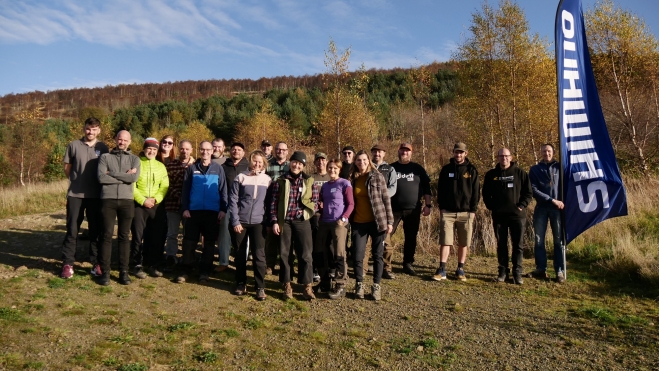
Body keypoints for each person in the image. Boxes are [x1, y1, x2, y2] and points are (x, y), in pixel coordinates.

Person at [60, 117, 109, 279]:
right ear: (84, 128)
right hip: (76, 194)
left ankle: (96, 263)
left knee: (95, 230)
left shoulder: (103, 147)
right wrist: (76, 181)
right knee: (72, 229)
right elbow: (67, 167)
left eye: (94, 129)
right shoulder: (74, 145)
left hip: (96, 196)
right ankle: (68, 264)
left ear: (99, 130)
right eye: (88, 128)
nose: (91, 132)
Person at [270, 151, 319, 301]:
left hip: (301, 221)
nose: (296, 165)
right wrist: (274, 221)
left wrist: (306, 213)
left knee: (305, 254)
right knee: (285, 254)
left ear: (303, 166)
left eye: (300, 163)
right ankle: (287, 285)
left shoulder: (310, 181)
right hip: (284, 222)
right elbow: (273, 203)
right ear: (290, 163)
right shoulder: (281, 180)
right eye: (294, 162)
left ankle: (306, 286)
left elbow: (315, 202)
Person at [177, 141, 228, 284]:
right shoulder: (192, 169)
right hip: (193, 211)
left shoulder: (218, 169)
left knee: (209, 244)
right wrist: (185, 208)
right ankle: (185, 270)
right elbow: (185, 190)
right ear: (199, 151)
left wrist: (223, 209)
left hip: (212, 212)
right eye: (202, 149)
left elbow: (223, 190)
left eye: (208, 150)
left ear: (212, 151)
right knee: (189, 242)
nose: (205, 152)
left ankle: (204, 272)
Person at [482, 148, 533, 285]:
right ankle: (503, 271)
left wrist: (522, 204)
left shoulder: (520, 173)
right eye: (501, 156)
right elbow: (486, 193)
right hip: (499, 216)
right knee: (501, 244)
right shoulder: (491, 175)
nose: (503, 158)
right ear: (497, 158)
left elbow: (528, 193)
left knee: (518, 245)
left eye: (506, 156)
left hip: (517, 216)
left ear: (511, 157)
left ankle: (517, 273)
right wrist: (491, 206)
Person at [96, 130, 141, 286]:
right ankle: (105, 273)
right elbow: (101, 178)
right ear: (115, 140)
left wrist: (112, 173)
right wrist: (124, 176)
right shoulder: (105, 157)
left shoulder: (135, 159)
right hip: (107, 200)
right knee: (106, 235)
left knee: (124, 237)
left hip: (127, 201)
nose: (122, 142)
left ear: (130, 141)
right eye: (119, 139)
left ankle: (124, 272)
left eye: (125, 140)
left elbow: (133, 178)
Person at [350, 150, 394, 301]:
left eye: (364, 160)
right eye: (358, 160)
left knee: (377, 255)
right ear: (355, 162)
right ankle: (359, 285)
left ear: (368, 161)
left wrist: (390, 221)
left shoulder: (377, 176)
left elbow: (386, 199)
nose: (361, 163)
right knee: (357, 255)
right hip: (358, 223)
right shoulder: (352, 178)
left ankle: (376, 287)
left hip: (377, 221)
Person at [432, 143, 479, 281]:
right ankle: (442, 269)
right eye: (456, 152)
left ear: (466, 153)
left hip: (466, 213)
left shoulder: (471, 170)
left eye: (461, 152)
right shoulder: (446, 169)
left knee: (464, 242)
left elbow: (476, 192)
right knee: (445, 241)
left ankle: (460, 269)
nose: (458, 155)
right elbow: (440, 190)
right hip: (448, 212)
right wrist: (441, 207)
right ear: (453, 153)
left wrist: (473, 210)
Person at [228, 150, 271, 300]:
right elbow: (232, 200)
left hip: (259, 223)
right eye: (255, 161)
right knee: (240, 255)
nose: (257, 164)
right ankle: (241, 283)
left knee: (259, 256)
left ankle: (260, 286)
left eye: (260, 162)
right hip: (241, 222)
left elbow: (269, 203)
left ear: (263, 164)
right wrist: (235, 221)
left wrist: (268, 221)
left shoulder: (267, 180)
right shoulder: (240, 178)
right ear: (250, 161)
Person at [130, 138, 169, 279]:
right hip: (139, 204)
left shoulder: (160, 166)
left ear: (157, 151)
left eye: (154, 149)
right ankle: (137, 264)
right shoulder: (137, 163)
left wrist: (156, 199)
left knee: (156, 236)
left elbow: (164, 186)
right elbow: (131, 184)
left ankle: (153, 264)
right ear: (144, 148)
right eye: (149, 148)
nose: (151, 151)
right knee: (137, 235)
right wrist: (143, 200)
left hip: (156, 205)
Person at [390, 143, 432, 276]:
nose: (404, 152)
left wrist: (428, 205)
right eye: (402, 150)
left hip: (413, 209)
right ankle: (383, 261)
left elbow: (426, 188)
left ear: (411, 153)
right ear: (399, 151)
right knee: (386, 235)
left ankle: (407, 263)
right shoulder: (391, 168)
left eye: (407, 151)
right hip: (393, 209)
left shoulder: (418, 169)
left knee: (410, 237)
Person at [316, 159, 354, 299]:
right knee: (319, 252)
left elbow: (350, 204)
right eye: (330, 168)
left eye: (335, 168)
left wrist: (343, 219)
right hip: (324, 221)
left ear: (339, 169)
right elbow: (321, 201)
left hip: (338, 223)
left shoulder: (344, 183)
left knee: (339, 254)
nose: (332, 170)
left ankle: (340, 284)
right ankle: (325, 281)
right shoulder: (325, 185)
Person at [528, 144, 565, 283]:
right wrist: (551, 200)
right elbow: (533, 189)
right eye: (544, 151)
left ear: (553, 152)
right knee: (538, 240)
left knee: (558, 240)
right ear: (541, 152)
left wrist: (560, 202)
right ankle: (541, 269)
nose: (546, 153)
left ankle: (559, 270)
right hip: (541, 208)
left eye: (549, 151)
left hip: (558, 210)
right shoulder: (535, 169)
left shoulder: (560, 167)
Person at [366, 144, 397, 279]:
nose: (377, 154)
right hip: (366, 209)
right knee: (366, 243)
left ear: (384, 153)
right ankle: (364, 268)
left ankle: (387, 268)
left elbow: (393, 188)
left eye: (380, 152)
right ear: (371, 153)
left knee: (386, 242)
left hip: (382, 209)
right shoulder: (366, 167)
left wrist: (380, 196)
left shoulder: (390, 169)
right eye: (374, 152)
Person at [163, 140, 195, 272]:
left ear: (191, 150)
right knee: (172, 233)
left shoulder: (196, 166)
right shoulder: (171, 166)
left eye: (187, 149)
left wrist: (186, 199)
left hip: (190, 207)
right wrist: (179, 196)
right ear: (178, 150)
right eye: (182, 149)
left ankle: (187, 258)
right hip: (173, 204)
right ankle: (171, 257)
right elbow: (166, 184)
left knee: (189, 234)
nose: (184, 151)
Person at [217, 142, 249, 272]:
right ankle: (223, 262)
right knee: (224, 234)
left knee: (243, 236)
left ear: (244, 152)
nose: (236, 151)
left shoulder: (248, 166)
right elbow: (220, 187)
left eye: (239, 149)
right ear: (230, 152)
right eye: (234, 149)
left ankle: (241, 262)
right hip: (227, 205)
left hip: (244, 206)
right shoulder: (223, 167)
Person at [264, 141, 290, 273]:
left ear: (287, 151)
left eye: (283, 149)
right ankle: (270, 264)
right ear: (275, 150)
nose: (281, 151)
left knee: (286, 236)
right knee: (271, 236)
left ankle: (286, 264)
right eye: (278, 149)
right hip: (271, 204)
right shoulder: (268, 165)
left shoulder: (291, 166)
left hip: (287, 206)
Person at [311, 152, 331, 286]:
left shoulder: (332, 176)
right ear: (315, 163)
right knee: (314, 243)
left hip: (329, 216)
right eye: (318, 160)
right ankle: (314, 269)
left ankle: (329, 269)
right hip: (315, 215)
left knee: (328, 244)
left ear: (327, 162)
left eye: (323, 160)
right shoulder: (311, 177)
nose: (320, 162)